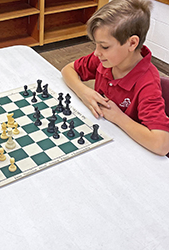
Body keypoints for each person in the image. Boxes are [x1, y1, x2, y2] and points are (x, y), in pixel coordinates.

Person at [61, 0, 169, 156]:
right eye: (96, 45)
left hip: (130, 152)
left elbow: (162, 144)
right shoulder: (106, 59)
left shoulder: (147, 83)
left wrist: (119, 117)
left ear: (132, 43)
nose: (97, 52)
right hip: (103, 136)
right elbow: (68, 70)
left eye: (104, 46)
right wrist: (84, 92)